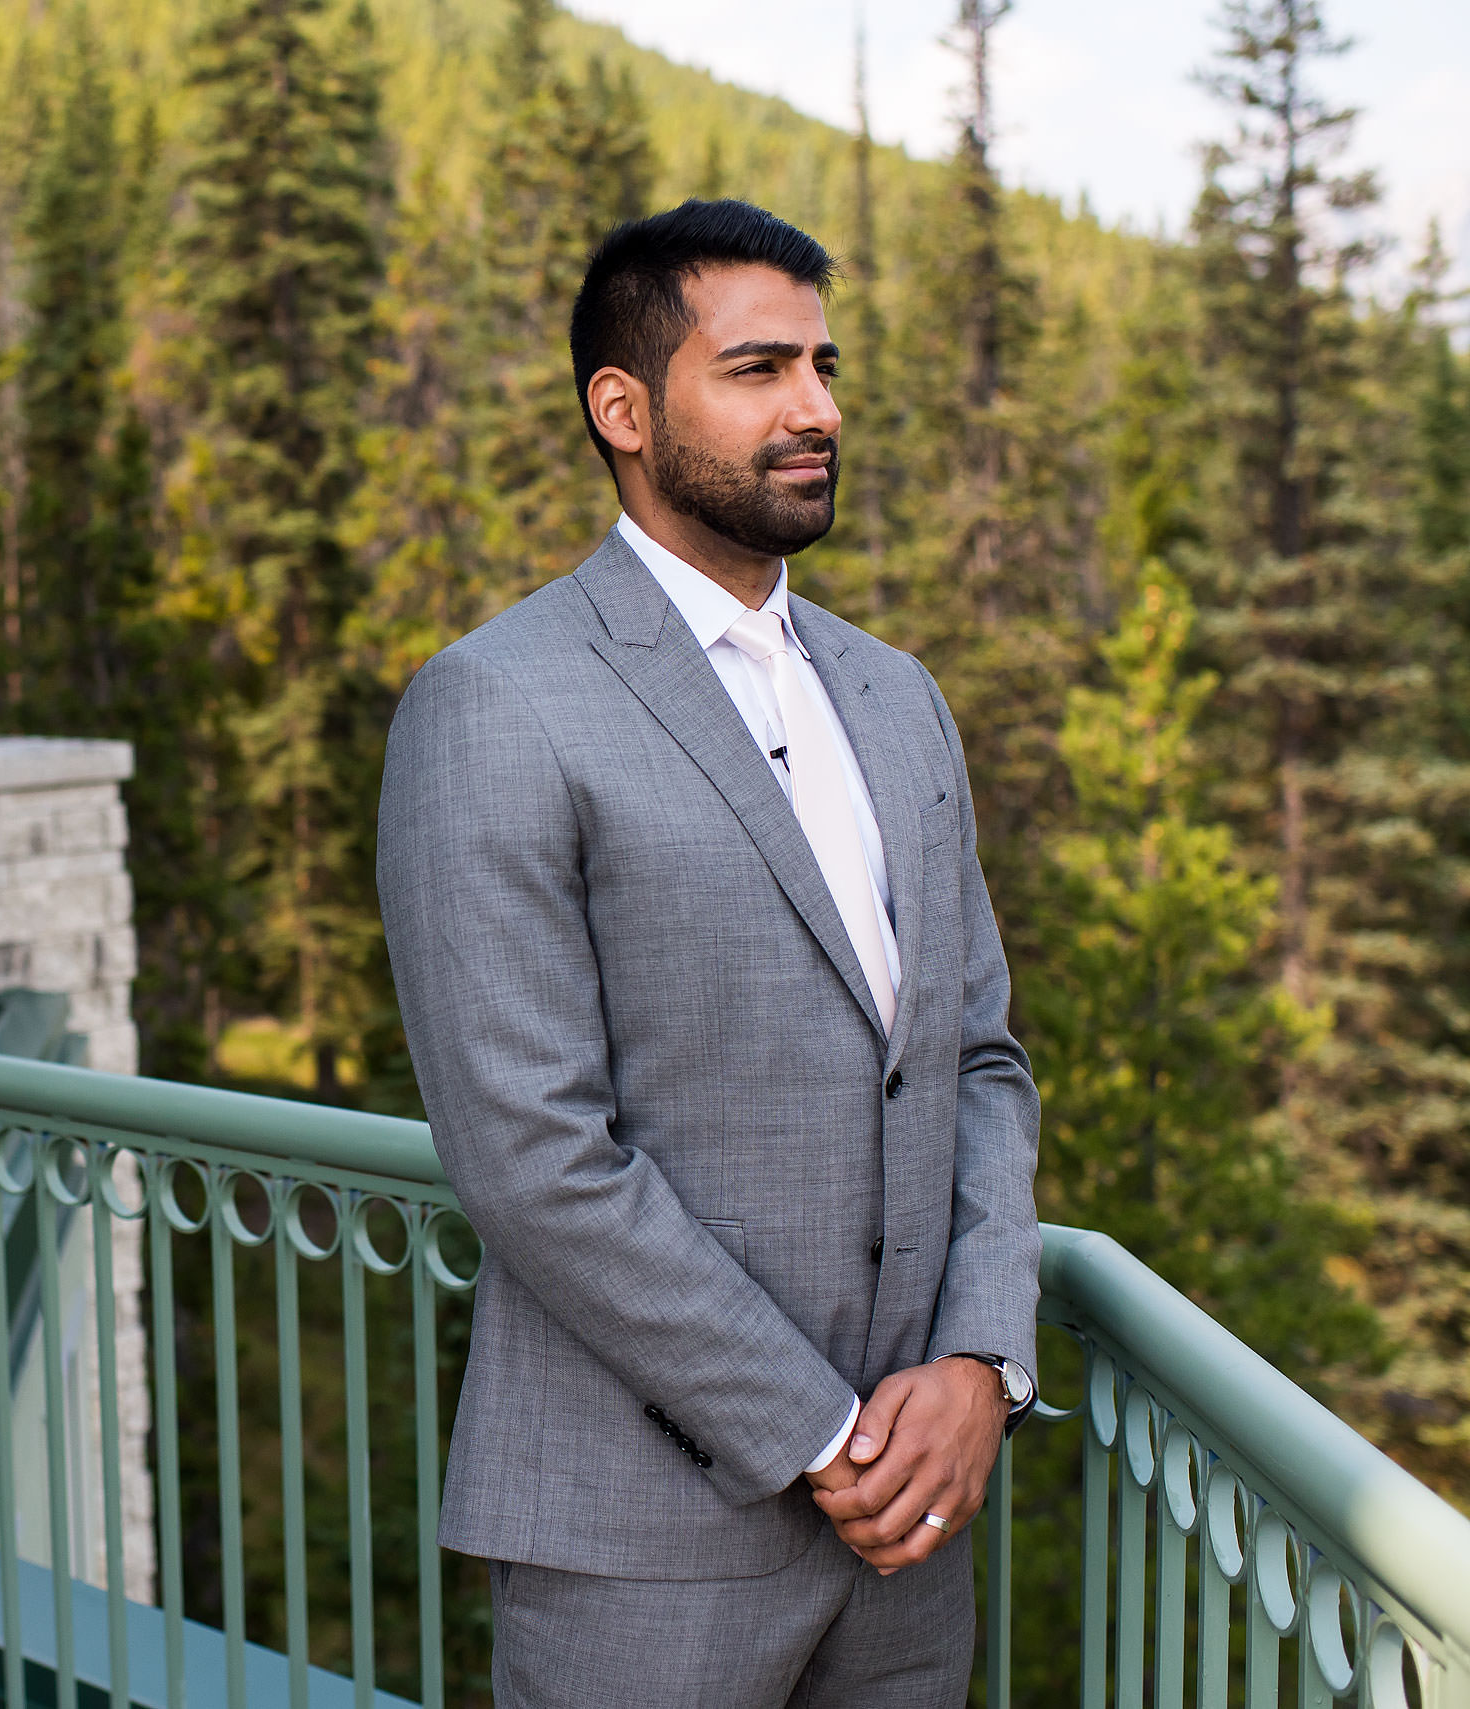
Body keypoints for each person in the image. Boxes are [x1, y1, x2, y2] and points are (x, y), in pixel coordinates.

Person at [376, 200, 1041, 1706]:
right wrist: (827, 1437)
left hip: (910, 1546)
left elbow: (977, 1057)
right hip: (641, 1542)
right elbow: (533, 1152)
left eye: (823, 363)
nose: (819, 408)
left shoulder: (897, 697)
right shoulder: (494, 703)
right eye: (759, 370)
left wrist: (983, 1365)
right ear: (624, 409)